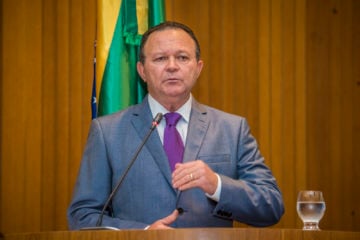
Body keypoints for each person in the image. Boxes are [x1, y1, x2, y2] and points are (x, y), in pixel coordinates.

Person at [67, 21, 284, 230]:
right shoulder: (107, 132)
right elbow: (83, 216)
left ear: (198, 68)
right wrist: (143, 233)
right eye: (160, 58)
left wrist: (216, 184)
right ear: (142, 70)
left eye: (182, 57)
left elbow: (271, 205)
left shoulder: (232, 129)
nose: (172, 66)